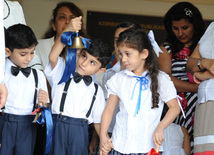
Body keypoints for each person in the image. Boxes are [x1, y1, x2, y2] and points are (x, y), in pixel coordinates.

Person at [99, 28, 181, 155]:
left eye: (128, 54)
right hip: (120, 145)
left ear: (144, 54)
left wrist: (161, 127)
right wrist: (103, 135)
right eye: (120, 54)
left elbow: (175, 107)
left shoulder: (161, 79)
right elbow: (109, 110)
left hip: (148, 148)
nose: (123, 59)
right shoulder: (118, 79)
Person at [44, 15, 112, 154]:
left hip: (80, 131)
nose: (84, 63)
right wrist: (67, 31)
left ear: (101, 70)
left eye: (92, 62)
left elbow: (98, 121)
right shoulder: (63, 71)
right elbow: (52, 56)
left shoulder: (96, 90)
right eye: (84, 56)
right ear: (79, 52)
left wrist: (104, 138)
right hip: (58, 127)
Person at [88, 21, 142, 155]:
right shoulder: (109, 73)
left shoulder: (147, 76)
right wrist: (97, 137)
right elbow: (103, 108)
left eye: (126, 39)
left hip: (135, 139)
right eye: (117, 40)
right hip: (108, 136)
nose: (120, 46)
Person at [158, 2, 205, 153]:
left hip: (201, 106)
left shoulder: (205, 47)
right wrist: (197, 88)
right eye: (175, 28)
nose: (180, 33)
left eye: (185, 28)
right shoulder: (166, 49)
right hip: (176, 108)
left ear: (195, 25)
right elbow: (166, 80)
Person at [0, 24, 49, 155]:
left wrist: (44, 103)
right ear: (7, 51)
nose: (29, 58)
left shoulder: (38, 75)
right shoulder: (1, 71)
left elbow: (42, 110)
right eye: (23, 54)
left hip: (28, 125)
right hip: (4, 123)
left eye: (32, 53)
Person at [32, 1, 86, 70]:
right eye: (62, 17)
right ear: (54, 25)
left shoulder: (85, 49)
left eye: (72, 18)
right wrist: (66, 31)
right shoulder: (38, 46)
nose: (68, 22)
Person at [186, 22, 214, 155]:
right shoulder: (212, 26)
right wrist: (204, 62)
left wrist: (202, 74)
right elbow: (191, 61)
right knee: (203, 151)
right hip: (204, 102)